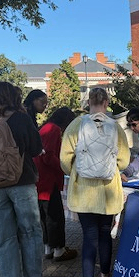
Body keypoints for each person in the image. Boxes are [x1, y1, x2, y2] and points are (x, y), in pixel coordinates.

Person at [60, 87, 130, 277]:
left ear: (88, 102)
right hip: (108, 192)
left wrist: (77, 171)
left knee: (89, 235)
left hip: (84, 192)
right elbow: (124, 161)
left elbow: (64, 160)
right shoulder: (115, 127)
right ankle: (105, 276)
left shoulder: (76, 125)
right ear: (107, 102)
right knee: (105, 234)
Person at [0, 81, 45, 277]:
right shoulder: (21, 118)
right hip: (22, 181)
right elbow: (36, 149)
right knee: (30, 231)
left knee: (2, 236)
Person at [34, 107, 78, 262]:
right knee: (55, 216)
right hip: (49, 179)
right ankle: (59, 250)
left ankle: (48, 248)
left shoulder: (45, 128)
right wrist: (64, 167)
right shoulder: (53, 130)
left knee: (44, 217)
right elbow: (49, 156)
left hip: (40, 180)